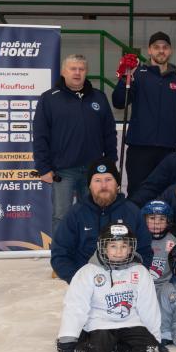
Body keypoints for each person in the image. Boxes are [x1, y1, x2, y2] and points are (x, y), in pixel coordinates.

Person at [56, 223, 163, 352]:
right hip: (99, 325)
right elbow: (76, 306)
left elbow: (148, 307)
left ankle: (114, 346)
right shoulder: (88, 272)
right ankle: (87, 342)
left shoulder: (140, 271)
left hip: (130, 324)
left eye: (124, 246)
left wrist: (155, 337)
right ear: (103, 247)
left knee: (151, 351)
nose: (119, 251)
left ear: (131, 248)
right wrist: (68, 340)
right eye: (113, 246)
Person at [34, 54, 117, 233]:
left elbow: (109, 132)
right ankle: (61, 250)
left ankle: (92, 249)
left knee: (93, 213)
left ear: (86, 72)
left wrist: (110, 162)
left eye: (81, 69)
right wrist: (43, 167)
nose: (77, 73)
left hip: (94, 171)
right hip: (63, 171)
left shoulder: (99, 97)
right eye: (73, 69)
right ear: (64, 72)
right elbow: (40, 136)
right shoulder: (49, 98)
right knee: (61, 216)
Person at [113, 32, 176, 197]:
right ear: (149, 50)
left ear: (170, 51)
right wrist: (125, 77)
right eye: (156, 47)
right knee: (137, 194)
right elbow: (119, 102)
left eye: (165, 47)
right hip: (140, 148)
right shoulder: (137, 74)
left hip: (169, 150)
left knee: (168, 194)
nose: (161, 51)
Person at [50, 158, 152, 284]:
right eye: (97, 180)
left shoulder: (132, 212)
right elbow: (60, 254)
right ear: (89, 185)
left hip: (125, 284)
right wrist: (78, 280)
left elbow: (145, 251)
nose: (103, 186)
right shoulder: (76, 214)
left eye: (108, 180)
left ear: (117, 184)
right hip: (87, 284)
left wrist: (131, 280)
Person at [141, 199, 176, 284]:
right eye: (152, 218)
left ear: (168, 222)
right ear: (144, 219)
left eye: (162, 219)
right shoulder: (139, 239)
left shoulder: (173, 241)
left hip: (165, 284)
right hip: (142, 284)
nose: (157, 223)